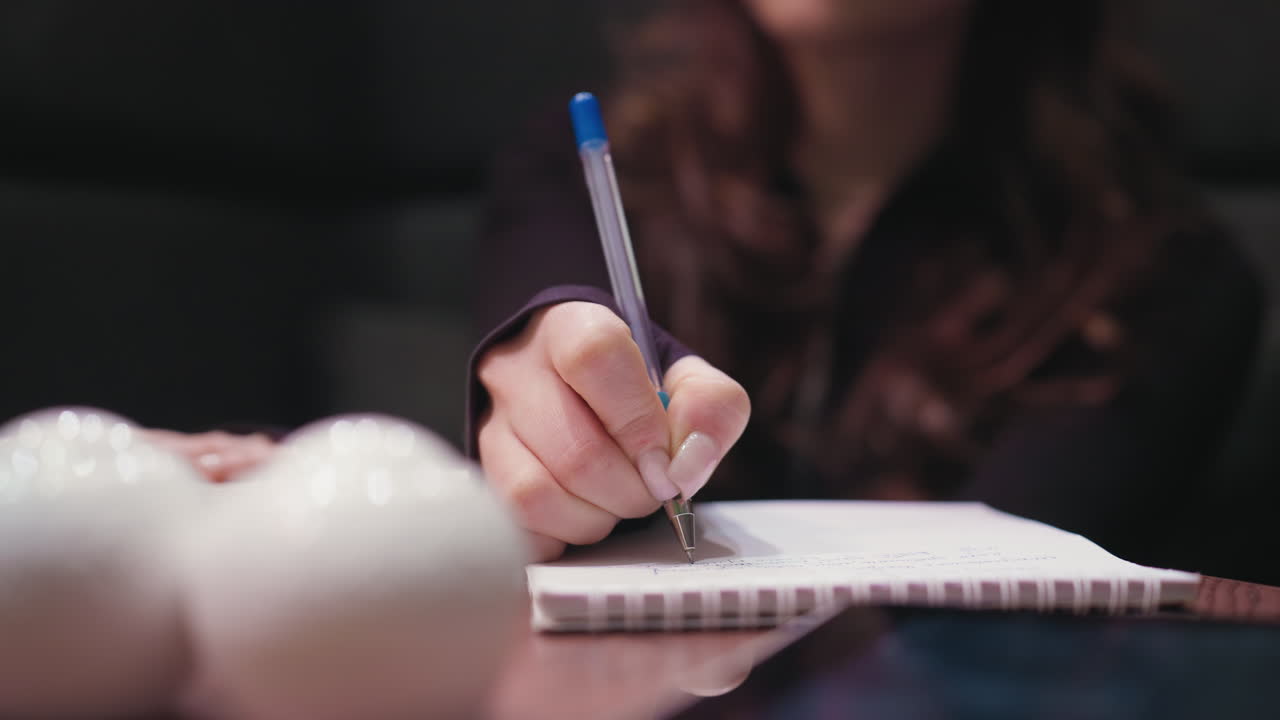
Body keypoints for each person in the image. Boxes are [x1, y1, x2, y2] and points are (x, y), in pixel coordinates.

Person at [469, 0, 1263, 567]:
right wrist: (552, 376)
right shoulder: (585, 175)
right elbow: (554, 324)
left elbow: (984, 621)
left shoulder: (1159, 275)